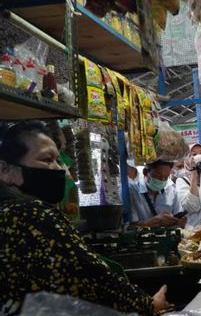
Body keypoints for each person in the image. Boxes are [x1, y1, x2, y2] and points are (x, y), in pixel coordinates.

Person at [0, 121, 171, 315]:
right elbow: (91, 275)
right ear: (5, 170)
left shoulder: (8, 213)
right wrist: (148, 304)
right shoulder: (31, 214)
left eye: (58, 160)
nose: (60, 169)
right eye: (47, 160)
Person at [129, 160, 186, 227]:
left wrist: (179, 221)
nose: (162, 180)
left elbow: (179, 216)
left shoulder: (171, 190)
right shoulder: (131, 191)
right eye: (158, 175)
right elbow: (128, 227)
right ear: (145, 172)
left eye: (166, 177)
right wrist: (149, 223)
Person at [176, 143, 201, 227]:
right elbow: (192, 206)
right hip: (194, 230)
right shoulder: (182, 181)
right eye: (194, 154)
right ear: (187, 159)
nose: (199, 156)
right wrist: (193, 172)